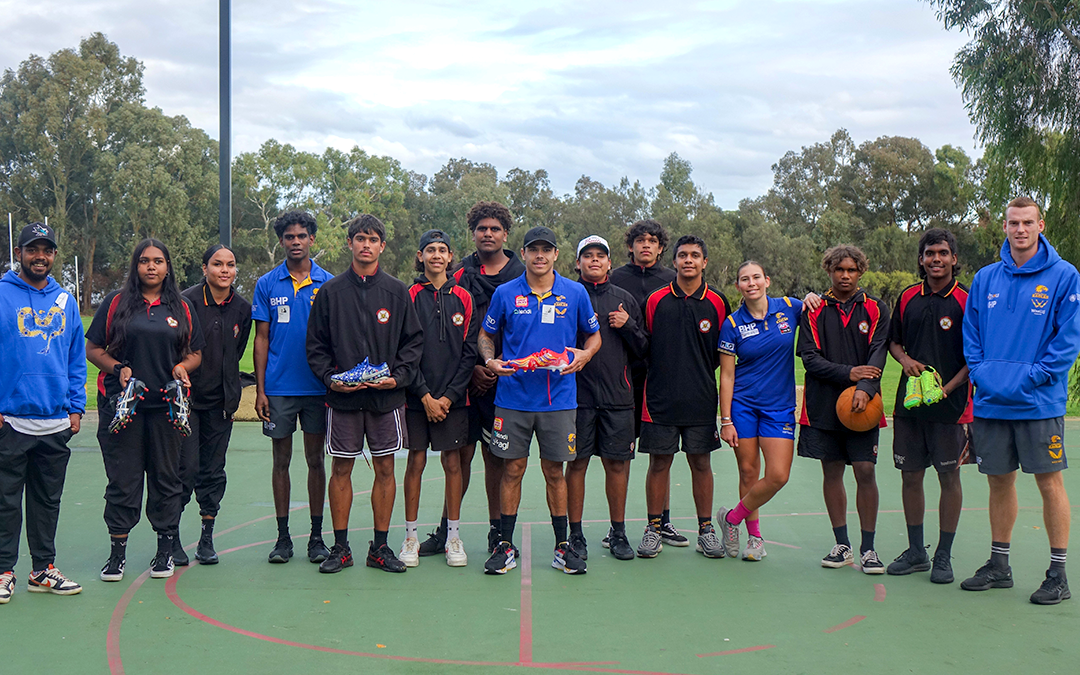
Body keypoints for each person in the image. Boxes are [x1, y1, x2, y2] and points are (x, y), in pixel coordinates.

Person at [960, 197, 1080, 604]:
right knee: (998, 481)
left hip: (1038, 402)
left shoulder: (1064, 276)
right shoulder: (986, 278)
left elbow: (1068, 340)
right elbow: (971, 333)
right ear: (1005, 227)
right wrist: (979, 373)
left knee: (1049, 482)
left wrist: (1035, 376)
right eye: (1013, 223)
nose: (1020, 230)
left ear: (1041, 225)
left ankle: (1058, 574)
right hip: (992, 400)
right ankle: (999, 564)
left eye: (1028, 222)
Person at [307, 214, 424, 574]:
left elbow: (412, 342)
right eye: (360, 238)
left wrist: (398, 378)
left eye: (373, 239)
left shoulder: (397, 291)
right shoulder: (330, 292)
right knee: (341, 467)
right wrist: (331, 378)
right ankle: (340, 548)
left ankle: (381, 546)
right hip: (343, 398)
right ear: (350, 244)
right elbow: (316, 345)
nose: (366, 245)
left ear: (382, 246)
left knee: (385, 467)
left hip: (385, 399)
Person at [480, 226, 601, 575]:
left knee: (554, 471)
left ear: (556, 255)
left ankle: (563, 546)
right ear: (524, 253)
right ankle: (504, 545)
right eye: (533, 249)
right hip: (513, 398)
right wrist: (490, 361)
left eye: (546, 249)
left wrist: (584, 356)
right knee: (512, 470)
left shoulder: (575, 293)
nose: (540, 255)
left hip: (559, 400)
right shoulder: (505, 293)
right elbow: (486, 334)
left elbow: (594, 337)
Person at [87, 238, 204, 581]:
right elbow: (93, 348)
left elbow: (195, 352)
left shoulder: (180, 307)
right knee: (123, 481)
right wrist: (116, 368)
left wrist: (184, 368)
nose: (151, 266)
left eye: (158, 261)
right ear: (135, 266)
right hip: (124, 407)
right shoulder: (116, 303)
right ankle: (116, 555)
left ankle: (164, 552)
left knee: (167, 479)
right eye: (144, 261)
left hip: (167, 409)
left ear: (168, 267)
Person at [417, 202, 524, 557]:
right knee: (459, 458)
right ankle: (448, 531)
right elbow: (461, 333)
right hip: (464, 381)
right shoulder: (459, 273)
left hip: (506, 383)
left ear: (505, 234)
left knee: (497, 458)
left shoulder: (521, 275)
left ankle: (498, 531)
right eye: (482, 229)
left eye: (495, 229)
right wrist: (476, 368)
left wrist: (495, 369)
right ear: (473, 234)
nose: (488, 234)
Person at [0, 223, 86, 603]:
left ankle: (42, 569)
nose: (40, 256)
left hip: (54, 420)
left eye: (47, 250)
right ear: (19, 252)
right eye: (32, 249)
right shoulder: (2, 295)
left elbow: (76, 358)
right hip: (11, 419)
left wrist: (76, 408)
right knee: (5, 500)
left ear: (54, 255)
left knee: (47, 500)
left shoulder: (66, 301)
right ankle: (4, 571)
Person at [636, 235, 731, 559]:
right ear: (674, 261)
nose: (688, 260)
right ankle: (654, 528)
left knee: (701, 462)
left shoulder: (717, 302)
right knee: (659, 462)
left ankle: (706, 530)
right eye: (682, 255)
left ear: (705, 262)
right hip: (659, 398)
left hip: (701, 398)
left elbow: (723, 352)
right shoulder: (655, 300)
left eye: (694, 255)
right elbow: (645, 345)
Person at [796, 244, 889, 574]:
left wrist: (864, 387)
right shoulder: (814, 309)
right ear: (829, 272)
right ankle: (842, 544)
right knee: (832, 470)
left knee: (865, 470)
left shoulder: (876, 308)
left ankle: (869, 548)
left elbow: (878, 352)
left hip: (864, 406)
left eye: (851, 270)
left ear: (860, 271)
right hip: (823, 404)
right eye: (839, 270)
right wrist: (850, 374)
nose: (845, 275)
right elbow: (810, 358)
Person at [886, 229, 971, 584]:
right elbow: (894, 342)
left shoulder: (967, 300)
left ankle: (944, 556)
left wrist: (947, 389)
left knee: (949, 477)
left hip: (951, 409)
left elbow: (975, 356)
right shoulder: (907, 297)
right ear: (921, 260)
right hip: (911, 406)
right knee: (911, 476)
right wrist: (904, 361)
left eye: (943, 253)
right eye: (929, 253)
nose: (936, 259)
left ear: (954, 259)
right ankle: (917, 551)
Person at [252, 211, 332, 565]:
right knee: (280, 461)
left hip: (318, 388)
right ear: (281, 241)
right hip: (280, 389)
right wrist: (260, 389)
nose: (295, 242)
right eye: (289, 236)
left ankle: (316, 537)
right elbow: (262, 338)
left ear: (312, 239)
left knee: (316, 461)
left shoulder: (328, 284)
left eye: (301, 236)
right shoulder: (268, 283)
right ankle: (283, 538)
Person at [566, 236, 648, 562]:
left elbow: (643, 350)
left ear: (609, 263)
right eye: (588, 256)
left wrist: (628, 326)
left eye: (601, 256)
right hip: (577, 399)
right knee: (577, 465)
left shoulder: (624, 299)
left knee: (617, 465)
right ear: (577, 263)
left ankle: (618, 532)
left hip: (617, 399)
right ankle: (575, 534)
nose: (594, 261)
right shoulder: (566, 298)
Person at [399, 230, 478, 568]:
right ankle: (411, 537)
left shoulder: (464, 296)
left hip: (454, 400)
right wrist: (425, 395)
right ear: (420, 256)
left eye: (442, 250)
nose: (435, 255)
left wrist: (447, 397)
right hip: (418, 398)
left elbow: (469, 353)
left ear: (450, 257)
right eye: (429, 250)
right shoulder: (409, 295)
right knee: (415, 463)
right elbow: (403, 351)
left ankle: (453, 536)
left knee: (453, 463)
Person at [716, 261, 803, 562]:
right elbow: (726, 375)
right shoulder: (732, 323)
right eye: (744, 279)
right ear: (738, 285)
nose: (751, 283)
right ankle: (755, 538)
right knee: (749, 470)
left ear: (767, 280)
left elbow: (821, 312)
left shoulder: (790, 307)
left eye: (756, 277)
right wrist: (725, 420)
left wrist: (817, 297)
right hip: (743, 405)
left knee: (778, 475)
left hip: (779, 407)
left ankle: (732, 519)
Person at [609, 219, 687, 547]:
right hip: (623, 379)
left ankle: (661, 523)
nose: (645, 245)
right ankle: (619, 529)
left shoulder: (672, 281)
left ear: (660, 247)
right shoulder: (614, 279)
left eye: (652, 241)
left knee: (661, 454)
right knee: (621, 457)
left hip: (660, 381)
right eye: (639, 240)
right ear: (629, 246)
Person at [177, 244, 252, 566]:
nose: (225, 270)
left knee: (212, 471)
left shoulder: (242, 308)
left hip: (222, 403)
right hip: (186, 402)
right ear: (204, 268)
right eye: (217, 264)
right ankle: (170, 538)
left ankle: (206, 538)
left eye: (231, 265)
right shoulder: (185, 302)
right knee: (184, 469)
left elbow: (236, 352)